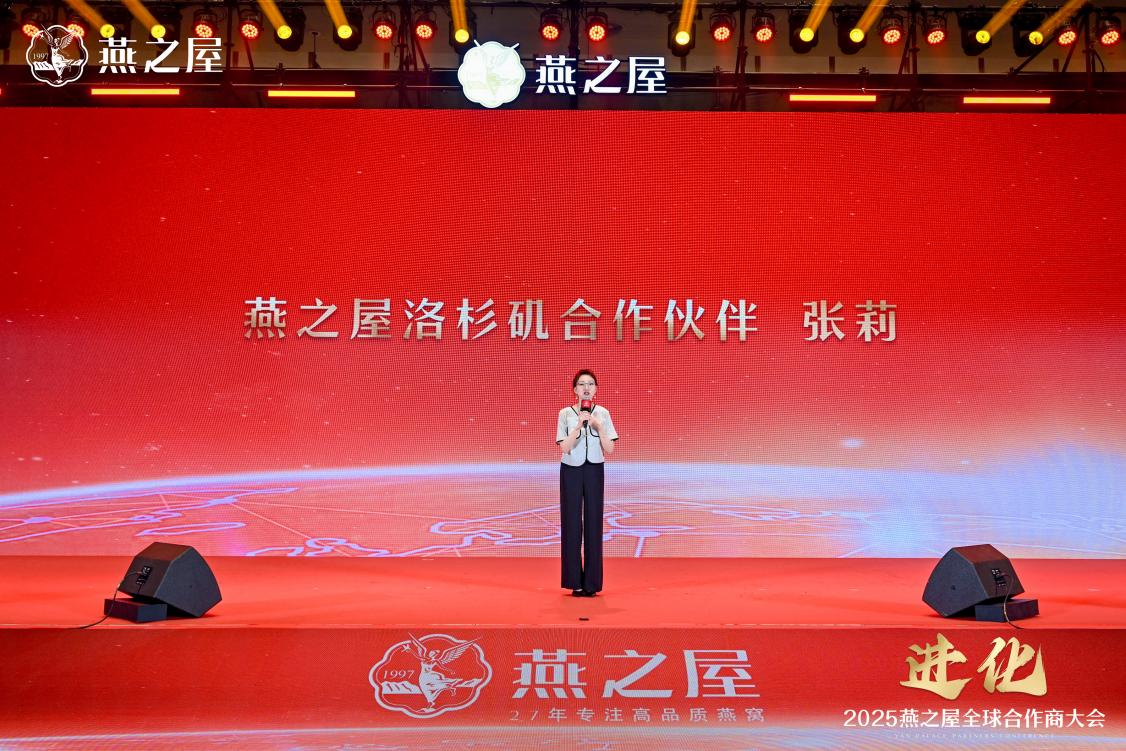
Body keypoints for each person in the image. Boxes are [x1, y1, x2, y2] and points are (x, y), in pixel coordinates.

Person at [556, 369, 618, 597]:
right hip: (571, 470)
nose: (586, 388)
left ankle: (592, 583)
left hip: (594, 470)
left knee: (593, 522)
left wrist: (598, 426)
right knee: (571, 522)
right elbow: (564, 447)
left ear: (596, 389)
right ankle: (575, 581)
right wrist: (577, 426)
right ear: (575, 390)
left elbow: (609, 448)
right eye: (582, 384)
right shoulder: (565, 413)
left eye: (590, 384)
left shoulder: (603, 413)